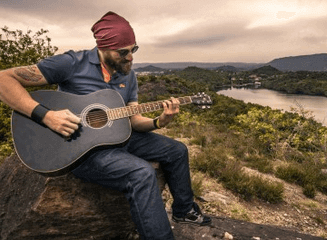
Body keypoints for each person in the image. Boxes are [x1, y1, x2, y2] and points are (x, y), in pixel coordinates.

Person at [0, 11, 211, 240]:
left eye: (134, 49)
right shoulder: (72, 63)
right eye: (123, 52)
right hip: (81, 149)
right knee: (142, 173)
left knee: (177, 150)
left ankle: (184, 211)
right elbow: (4, 80)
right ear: (103, 48)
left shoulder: (127, 75)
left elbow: (132, 120)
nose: (130, 57)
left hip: (120, 137)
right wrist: (47, 116)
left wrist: (159, 121)